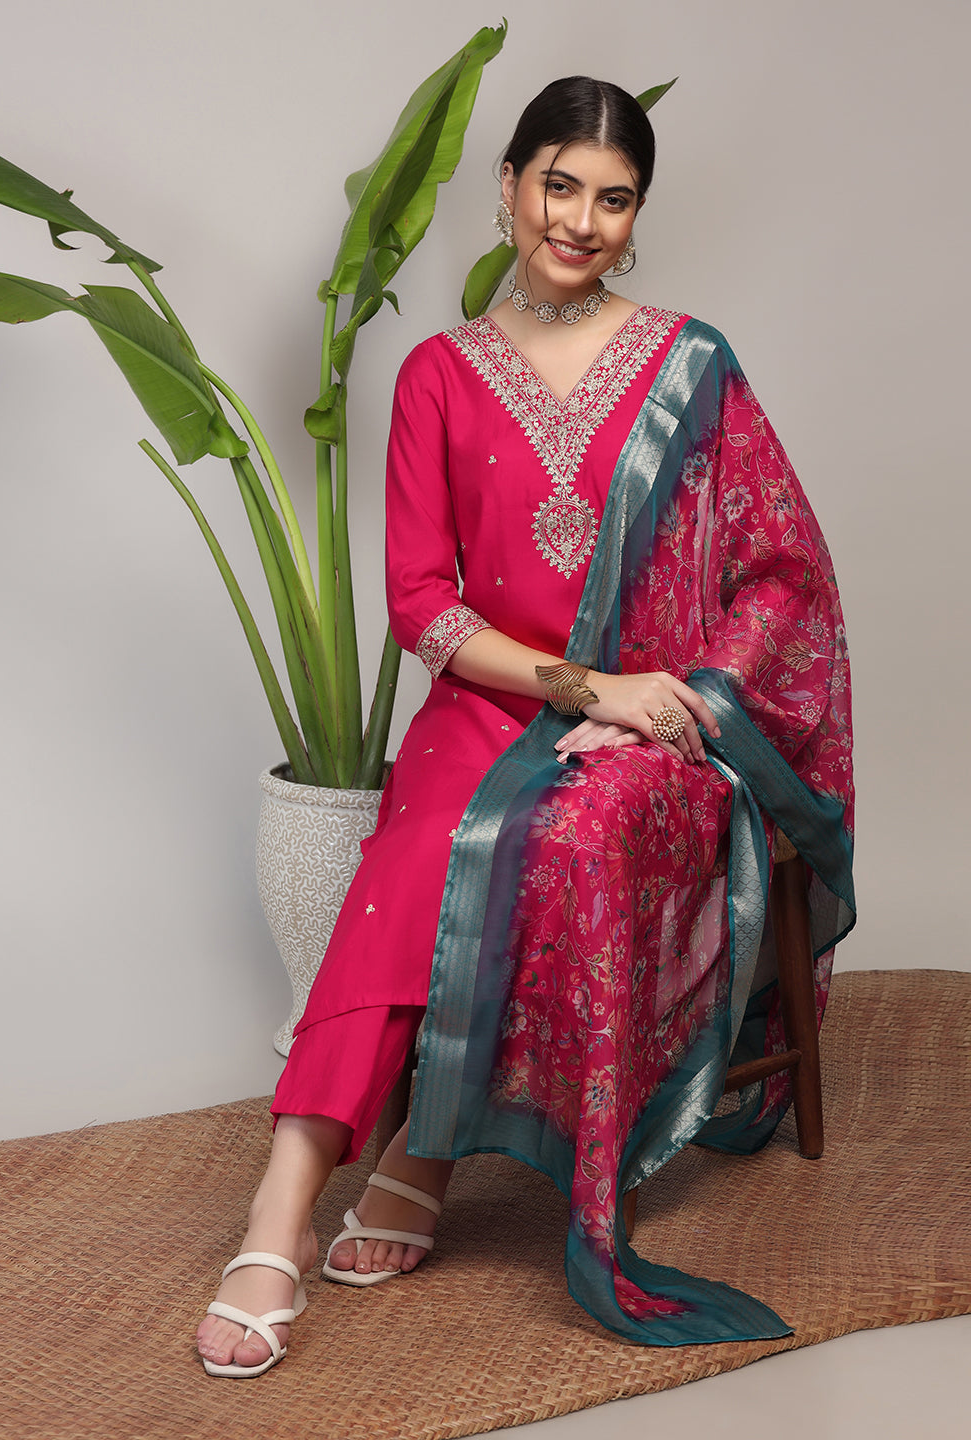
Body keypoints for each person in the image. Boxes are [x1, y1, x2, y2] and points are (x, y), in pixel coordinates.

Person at [196, 76, 854, 1375]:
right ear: (509, 187)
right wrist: (584, 688)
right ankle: (284, 1206)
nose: (581, 220)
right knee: (411, 864)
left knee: (566, 834)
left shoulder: (691, 363)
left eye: (614, 199)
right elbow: (422, 604)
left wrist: (678, 701)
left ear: (636, 215)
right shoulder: (439, 376)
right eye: (560, 185)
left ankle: (424, 1152)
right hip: (493, 703)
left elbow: (783, 573)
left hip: (655, 723)